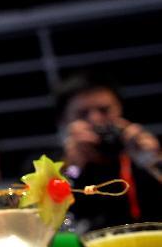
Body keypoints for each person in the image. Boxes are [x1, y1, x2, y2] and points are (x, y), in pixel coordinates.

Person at [56, 71, 161, 231]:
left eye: (104, 110)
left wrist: (153, 161)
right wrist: (72, 167)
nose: (95, 119)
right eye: (82, 114)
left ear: (121, 110)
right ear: (64, 121)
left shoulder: (143, 154)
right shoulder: (52, 164)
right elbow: (47, 219)